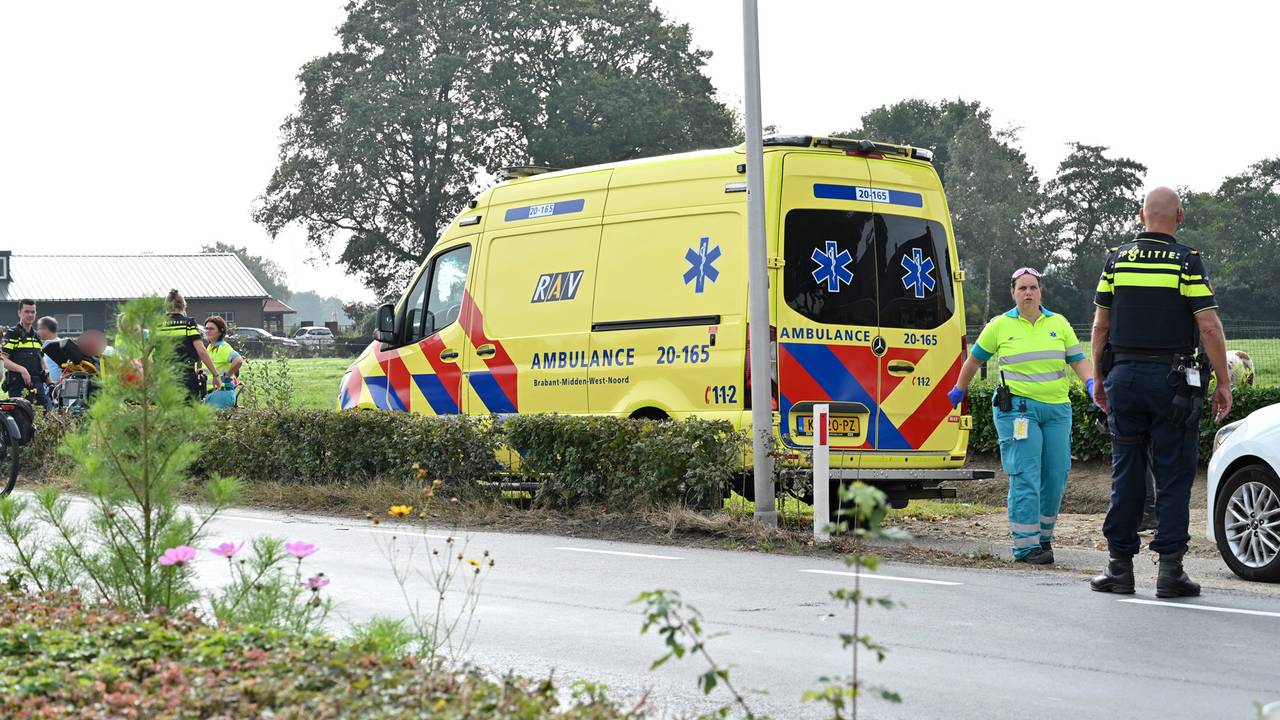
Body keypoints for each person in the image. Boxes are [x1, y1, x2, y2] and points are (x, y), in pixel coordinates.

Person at [1089, 187, 1232, 598]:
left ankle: (1119, 569)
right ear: (1179, 217)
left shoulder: (1116, 260)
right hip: (1172, 384)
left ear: (1141, 216)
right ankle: (1170, 572)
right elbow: (1208, 326)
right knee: (1172, 475)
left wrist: (1100, 378)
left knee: (1126, 473)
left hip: (1125, 379)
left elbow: (1101, 326)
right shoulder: (1187, 262)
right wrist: (1223, 381)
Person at [948, 268, 1094, 564]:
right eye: (1022, 288)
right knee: (1026, 476)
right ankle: (1025, 547)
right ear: (1013, 293)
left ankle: (1043, 538)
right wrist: (959, 389)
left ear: (1041, 292)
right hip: (1019, 412)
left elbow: (1078, 361)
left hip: (1057, 410)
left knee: (1055, 476)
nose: (1028, 293)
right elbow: (974, 360)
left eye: (1033, 288)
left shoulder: (1059, 323)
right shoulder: (1000, 325)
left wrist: (1092, 384)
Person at [158, 290, 218, 398]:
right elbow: (201, 351)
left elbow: (146, 353)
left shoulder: (158, 326)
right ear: (183, 306)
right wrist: (215, 374)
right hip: (185, 377)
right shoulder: (188, 324)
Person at [2, 299, 50, 408]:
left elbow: (42, 361)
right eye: (26, 311)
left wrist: (50, 383)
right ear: (19, 313)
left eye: (33, 312)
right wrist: (22, 370)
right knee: (21, 421)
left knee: (43, 420)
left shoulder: (37, 336)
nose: (30, 315)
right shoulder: (12, 334)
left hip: (38, 386)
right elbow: (3, 359)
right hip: (18, 387)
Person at [202, 315, 243, 390]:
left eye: (211, 329)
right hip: (212, 392)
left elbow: (238, 360)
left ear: (221, 331)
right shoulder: (210, 347)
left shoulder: (223, 347)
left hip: (222, 392)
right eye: (206, 328)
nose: (207, 331)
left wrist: (226, 377)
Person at [36, 316, 62, 384]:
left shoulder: (60, 345)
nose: (37, 331)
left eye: (39, 328)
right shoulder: (42, 346)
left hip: (57, 389)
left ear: (46, 329)